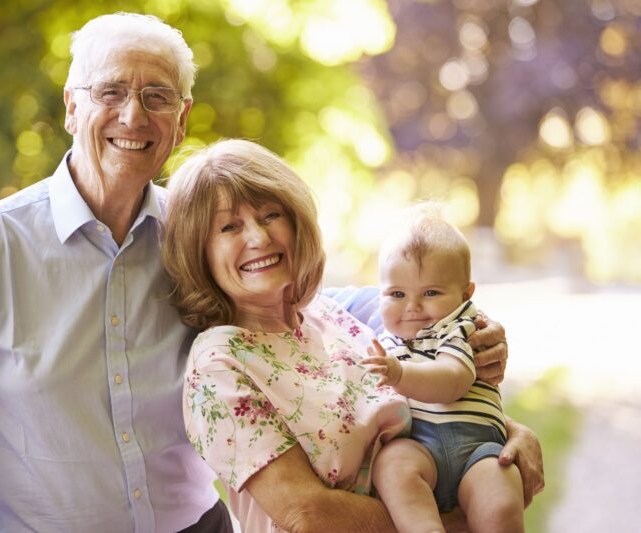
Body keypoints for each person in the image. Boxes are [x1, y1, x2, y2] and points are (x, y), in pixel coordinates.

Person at [0, 13, 232, 532]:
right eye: (110, 92)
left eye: (157, 96)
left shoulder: (200, 236)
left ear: (181, 120)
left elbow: (289, 312)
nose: (133, 115)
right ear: (72, 108)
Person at [161, 139, 542, 532]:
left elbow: (439, 330)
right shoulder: (219, 363)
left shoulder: (331, 315)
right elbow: (307, 515)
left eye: (270, 215)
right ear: (198, 251)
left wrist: (510, 431)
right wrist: (458, 523)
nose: (259, 238)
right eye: (229, 227)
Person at [364, 204, 524, 532]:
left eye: (431, 292)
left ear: (465, 295)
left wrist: (399, 374)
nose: (412, 306)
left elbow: (452, 380)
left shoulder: (459, 328)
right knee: (392, 465)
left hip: (477, 449)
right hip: (419, 447)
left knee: (500, 504)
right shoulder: (383, 342)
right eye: (397, 293)